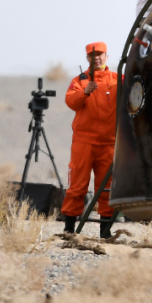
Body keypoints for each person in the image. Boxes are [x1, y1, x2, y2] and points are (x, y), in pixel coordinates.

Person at [62, 42, 118, 238]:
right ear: (87, 58)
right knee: (77, 185)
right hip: (84, 142)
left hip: (109, 143)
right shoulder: (80, 80)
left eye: (100, 54)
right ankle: (69, 229)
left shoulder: (118, 79)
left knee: (107, 187)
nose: (96, 57)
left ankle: (105, 231)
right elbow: (70, 102)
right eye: (92, 55)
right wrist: (85, 92)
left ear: (106, 56)